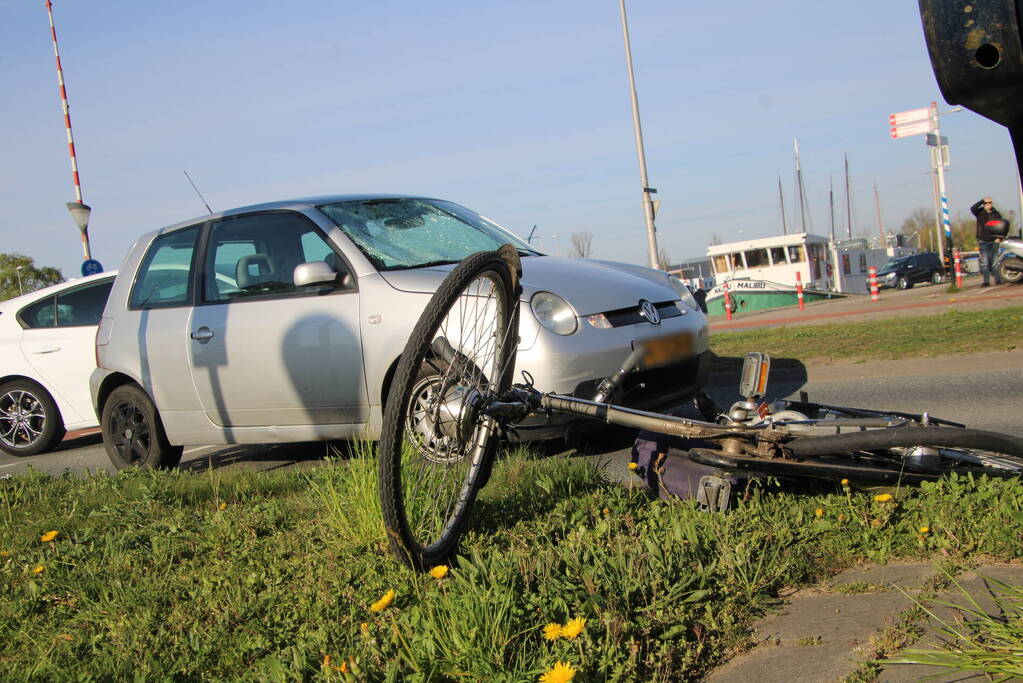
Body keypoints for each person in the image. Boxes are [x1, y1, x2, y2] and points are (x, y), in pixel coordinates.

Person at [971, 196, 1004, 286]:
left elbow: (1001, 226)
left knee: (995, 261)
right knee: (985, 262)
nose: (988, 204)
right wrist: (982, 201)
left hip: (994, 240)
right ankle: (986, 281)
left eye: (990, 203)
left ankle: (998, 280)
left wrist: (999, 238)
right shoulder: (979, 212)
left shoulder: (996, 214)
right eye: (987, 203)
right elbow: (972, 208)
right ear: (984, 204)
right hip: (983, 240)